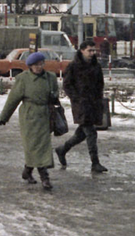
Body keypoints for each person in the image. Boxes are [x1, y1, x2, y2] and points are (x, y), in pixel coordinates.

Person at [0, 52, 57, 190]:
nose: (39, 67)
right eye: (35, 65)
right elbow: (13, 99)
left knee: (42, 146)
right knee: (32, 145)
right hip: (29, 115)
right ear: (30, 66)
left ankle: (28, 170)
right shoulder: (23, 79)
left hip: (45, 114)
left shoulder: (51, 77)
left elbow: (54, 95)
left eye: (41, 64)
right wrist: (4, 116)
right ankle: (45, 177)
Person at [55, 40, 108, 173]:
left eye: (93, 50)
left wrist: (99, 100)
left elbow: (100, 84)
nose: (92, 53)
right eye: (89, 50)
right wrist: (76, 99)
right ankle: (95, 163)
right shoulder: (73, 66)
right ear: (82, 50)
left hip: (94, 104)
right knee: (91, 133)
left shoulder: (96, 66)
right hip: (81, 105)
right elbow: (67, 85)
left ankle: (62, 149)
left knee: (81, 134)